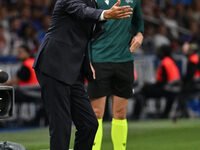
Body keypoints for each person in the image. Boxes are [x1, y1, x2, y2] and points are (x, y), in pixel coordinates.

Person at [32, 0, 133, 150]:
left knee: (89, 124)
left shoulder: (93, 3)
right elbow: (82, 11)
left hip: (73, 70)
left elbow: (85, 36)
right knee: (61, 125)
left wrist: (88, 63)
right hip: (54, 64)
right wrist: (106, 14)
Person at [88, 0, 144, 150]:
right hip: (99, 60)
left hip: (124, 60)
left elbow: (138, 21)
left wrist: (139, 35)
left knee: (120, 113)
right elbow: (85, 28)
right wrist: (87, 60)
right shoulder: (94, 1)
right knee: (96, 112)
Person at [133, 45, 181, 119]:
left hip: (168, 88)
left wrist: (150, 84)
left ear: (163, 53)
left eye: (159, 51)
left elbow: (162, 82)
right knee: (146, 89)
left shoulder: (164, 62)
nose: (157, 53)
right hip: (174, 87)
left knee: (143, 91)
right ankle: (164, 114)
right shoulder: (170, 61)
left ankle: (136, 116)